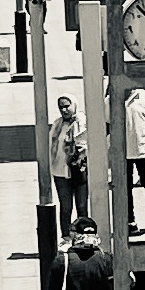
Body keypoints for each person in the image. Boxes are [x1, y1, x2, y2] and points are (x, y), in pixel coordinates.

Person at [124, 87, 145, 233]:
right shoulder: (111, 98)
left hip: (144, 149)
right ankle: (130, 220)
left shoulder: (144, 96)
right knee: (125, 188)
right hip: (123, 152)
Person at [55, 96, 89, 227]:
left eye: (66, 106)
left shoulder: (81, 121)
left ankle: (84, 235)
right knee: (65, 207)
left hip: (79, 170)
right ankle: (66, 236)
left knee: (81, 207)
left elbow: (84, 142)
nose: (64, 110)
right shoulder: (58, 124)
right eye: (61, 107)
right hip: (60, 171)